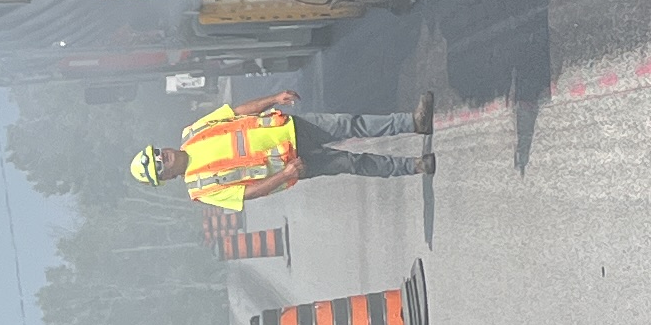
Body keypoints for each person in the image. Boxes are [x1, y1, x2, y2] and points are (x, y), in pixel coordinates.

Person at [131, 91, 430, 208]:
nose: (162, 158)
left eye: (157, 153)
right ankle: (414, 166)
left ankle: (413, 123)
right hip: (294, 163)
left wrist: (273, 99)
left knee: (352, 124)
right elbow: (249, 193)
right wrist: (286, 173)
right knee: (353, 162)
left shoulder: (193, 132)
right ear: (166, 178)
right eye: (158, 166)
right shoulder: (200, 188)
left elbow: (235, 113)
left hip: (291, 128)